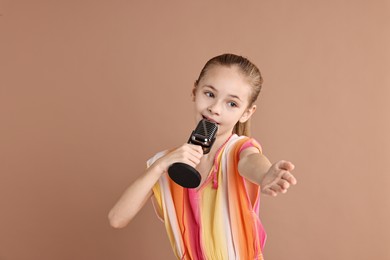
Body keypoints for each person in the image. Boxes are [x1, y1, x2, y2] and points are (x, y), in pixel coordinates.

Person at [108, 53, 297, 260]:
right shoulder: (166, 163)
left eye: (231, 104)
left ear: (247, 112)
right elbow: (117, 219)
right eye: (209, 94)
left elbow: (251, 161)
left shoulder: (239, 150)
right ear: (194, 91)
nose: (214, 109)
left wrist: (265, 175)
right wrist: (159, 166)